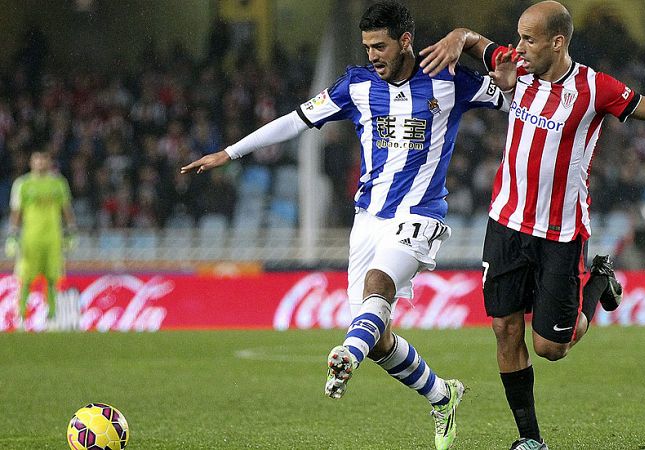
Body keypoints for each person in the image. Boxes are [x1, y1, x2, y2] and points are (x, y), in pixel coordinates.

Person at [419, 2, 645, 449]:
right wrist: (456, 38)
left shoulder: (595, 88)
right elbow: (472, 39)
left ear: (557, 42)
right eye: (518, 37)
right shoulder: (514, 64)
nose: (518, 47)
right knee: (505, 329)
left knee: (551, 348)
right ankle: (530, 440)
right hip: (506, 224)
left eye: (529, 39)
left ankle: (598, 280)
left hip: (560, 234)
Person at [181, 2, 505, 448]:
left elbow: (516, 87)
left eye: (380, 46)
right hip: (368, 220)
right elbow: (295, 121)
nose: (372, 54)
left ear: (405, 41)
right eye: (367, 46)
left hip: (420, 214)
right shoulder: (356, 84)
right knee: (378, 339)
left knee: (378, 287)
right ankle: (441, 395)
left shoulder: (449, 79)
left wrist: (468, 40)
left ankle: (346, 354)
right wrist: (230, 152)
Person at [6, 151, 77, 331]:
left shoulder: (58, 183)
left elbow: (66, 209)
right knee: (25, 279)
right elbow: (16, 212)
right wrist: (12, 236)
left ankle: (52, 318)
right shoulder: (22, 184)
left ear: (49, 162)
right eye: (37, 159)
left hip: (53, 239)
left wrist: (71, 232)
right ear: (31, 162)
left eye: (44, 159)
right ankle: (21, 319)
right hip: (30, 240)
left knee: (53, 279)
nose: (40, 163)